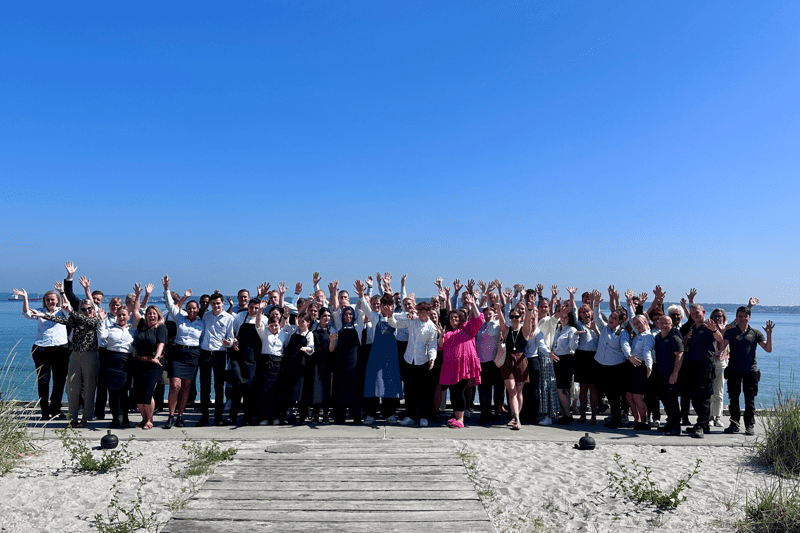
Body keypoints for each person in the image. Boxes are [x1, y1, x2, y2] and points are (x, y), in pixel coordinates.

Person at [30, 295, 102, 428]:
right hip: (75, 355)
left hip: (90, 355)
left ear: (93, 309)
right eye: (84, 309)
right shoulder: (77, 320)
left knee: (89, 387)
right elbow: (61, 320)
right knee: (72, 387)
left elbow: (84, 320)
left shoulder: (97, 320)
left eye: (89, 309)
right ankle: (72, 417)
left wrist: (70, 311)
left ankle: (86, 417)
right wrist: (42, 315)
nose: (86, 311)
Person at [17, 287, 70, 420]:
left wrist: (63, 294)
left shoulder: (62, 311)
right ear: (44, 301)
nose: (50, 302)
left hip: (60, 349)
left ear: (57, 300)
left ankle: (56, 409)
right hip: (42, 349)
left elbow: (69, 312)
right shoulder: (39, 311)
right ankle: (44, 412)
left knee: (59, 381)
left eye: (53, 299)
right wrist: (25, 297)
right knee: (43, 381)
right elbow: (26, 314)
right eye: (48, 299)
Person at [355, 280, 403, 425]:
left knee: (390, 385)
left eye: (389, 305)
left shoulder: (397, 318)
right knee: (373, 384)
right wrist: (362, 294)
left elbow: (407, 319)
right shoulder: (375, 317)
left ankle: (390, 414)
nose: (386, 307)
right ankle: (370, 414)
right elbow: (365, 306)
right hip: (376, 356)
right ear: (380, 306)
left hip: (391, 357)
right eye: (383, 305)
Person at [720, 307, 774, 436]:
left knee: (750, 401)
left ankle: (749, 425)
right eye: (740, 316)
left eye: (745, 316)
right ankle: (734, 424)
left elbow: (768, 349)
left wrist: (769, 334)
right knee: (733, 399)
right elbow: (721, 347)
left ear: (749, 317)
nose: (743, 319)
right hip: (733, 370)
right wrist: (721, 332)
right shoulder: (730, 332)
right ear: (736, 317)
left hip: (750, 371)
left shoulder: (755, 333)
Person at [162, 276, 203, 429]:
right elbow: (171, 305)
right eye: (189, 307)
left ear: (198, 310)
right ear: (187, 309)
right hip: (178, 354)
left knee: (186, 387)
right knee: (175, 386)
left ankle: (180, 416)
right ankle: (170, 416)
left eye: (194, 308)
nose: (192, 310)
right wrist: (166, 288)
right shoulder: (180, 318)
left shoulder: (202, 323)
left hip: (192, 355)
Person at [438, 293, 483, 428]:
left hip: (465, 367)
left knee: (459, 391)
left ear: (461, 318)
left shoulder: (468, 328)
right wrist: (440, 336)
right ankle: (456, 416)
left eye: (456, 317)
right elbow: (440, 345)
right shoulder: (448, 333)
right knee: (454, 393)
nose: (453, 319)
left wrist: (473, 303)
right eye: (451, 318)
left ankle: (461, 419)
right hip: (452, 368)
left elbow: (479, 319)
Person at [680, 303, 724, 439]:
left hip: (705, 365)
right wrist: (686, 339)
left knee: (704, 397)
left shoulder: (708, 326)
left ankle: (701, 425)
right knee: (694, 395)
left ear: (703, 312)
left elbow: (720, 339)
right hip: (693, 365)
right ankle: (702, 424)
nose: (694, 315)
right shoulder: (693, 327)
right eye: (692, 314)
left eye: (697, 313)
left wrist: (714, 330)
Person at [593, 291, 632, 429]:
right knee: (609, 394)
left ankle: (617, 420)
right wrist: (596, 304)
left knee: (615, 396)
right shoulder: (604, 328)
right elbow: (597, 316)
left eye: (615, 317)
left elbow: (625, 346)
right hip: (602, 365)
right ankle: (614, 418)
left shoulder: (622, 333)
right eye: (611, 316)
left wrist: (629, 356)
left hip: (615, 368)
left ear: (620, 321)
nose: (611, 318)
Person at [197, 293, 234, 426]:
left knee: (219, 387)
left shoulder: (229, 318)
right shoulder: (206, 316)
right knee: (204, 387)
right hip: (206, 353)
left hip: (220, 354)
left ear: (222, 303)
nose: (216, 306)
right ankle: (204, 416)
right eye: (213, 304)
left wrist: (228, 343)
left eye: (218, 303)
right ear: (210, 304)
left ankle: (218, 416)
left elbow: (231, 338)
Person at [97, 306, 136, 428]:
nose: (121, 317)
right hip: (110, 360)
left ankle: (125, 418)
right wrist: (101, 320)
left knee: (123, 392)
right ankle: (115, 419)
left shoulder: (133, 330)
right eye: (119, 315)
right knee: (112, 393)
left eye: (124, 315)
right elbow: (101, 335)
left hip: (125, 361)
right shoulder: (110, 328)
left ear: (129, 316)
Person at [498, 302, 535, 430]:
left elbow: (528, 322)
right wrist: (498, 308)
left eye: (517, 317)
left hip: (521, 360)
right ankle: (517, 419)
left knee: (519, 392)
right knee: (512, 391)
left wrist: (529, 309)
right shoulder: (507, 330)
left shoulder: (524, 330)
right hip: (508, 359)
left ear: (520, 318)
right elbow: (502, 322)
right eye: (512, 316)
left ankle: (515, 417)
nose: (514, 319)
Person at [131, 300, 167, 430]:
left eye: (154, 314)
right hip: (140, 362)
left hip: (154, 364)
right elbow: (135, 311)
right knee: (139, 394)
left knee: (147, 392)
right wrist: (139, 296)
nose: (151, 316)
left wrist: (156, 357)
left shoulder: (161, 328)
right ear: (145, 316)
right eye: (149, 314)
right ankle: (143, 419)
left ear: (158, 315)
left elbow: (161, 344)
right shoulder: (142, 325)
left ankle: (150, 420)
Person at [277, 312, 314, 424]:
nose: (301, 323)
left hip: (300, 365)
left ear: (308, 322)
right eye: (300, 320)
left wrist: (306, 348)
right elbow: (283, 326)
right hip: (289, 363)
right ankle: (283, 415)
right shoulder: (293, 330)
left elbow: (311, 348)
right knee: (286, 390)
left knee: (301, 392)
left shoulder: (309, 334)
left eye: (303, 321)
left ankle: (302, 417)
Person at [549, 288, 580, 425]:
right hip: (557, 360)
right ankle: (565, 413)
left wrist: (575, 337)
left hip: (567, 360)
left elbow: (573, 348)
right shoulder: (558, 329)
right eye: (561, 317)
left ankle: (567, 415)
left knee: (562, 389)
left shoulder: (571, 329)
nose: (563, 318)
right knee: (562, 389)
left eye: (566, 317)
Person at [254, 308, 290, 425]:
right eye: (272, 325)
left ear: (279, 325)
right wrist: (260, 310)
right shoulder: (264, 333)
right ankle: (264, 417)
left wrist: (285, 316)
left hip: (278, 364)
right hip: (266, 364)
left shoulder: (283, 334)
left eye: (276, 325)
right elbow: (258, 324)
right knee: (265, 392)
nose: (274, 328)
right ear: (268, 325)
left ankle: (276, 417)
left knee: (276, 392)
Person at [329, 306, 363, 424]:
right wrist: (333, 292)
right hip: (341, 364)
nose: (348, 316)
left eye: (350, 314)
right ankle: (340, 416)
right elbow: (334, 312)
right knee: (341, 389)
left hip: (355, 364)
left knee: (355, 389)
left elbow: (361, 311)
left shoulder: (358, 327)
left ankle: (356, 416)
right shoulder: (339, 327)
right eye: (346, 314)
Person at [653, 315, 683, 436]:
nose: (664, 325)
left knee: (672, 400)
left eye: (667, 323)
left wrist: (674, 373)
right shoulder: (658, 337)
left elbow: (679, 356)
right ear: (658, 324)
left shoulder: (674, 338)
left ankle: (676, 425)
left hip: (672, 375)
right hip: (660, 374)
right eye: (662, 323)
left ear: (671, 325)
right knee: (664, 400)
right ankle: (670, 423)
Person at [475, 304, 504, 426]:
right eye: (485, 314)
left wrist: (495, 317)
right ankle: (484, 414)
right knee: (483, 390)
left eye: (490, 314)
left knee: (497, 390)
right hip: (481, 362)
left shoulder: (497, 326)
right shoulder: (481, 326)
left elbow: (501, 328)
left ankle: (496, 413)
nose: (487, 316)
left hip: (494, 363)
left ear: (495, 315)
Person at [625, 314, 654, 431]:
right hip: (631, 366)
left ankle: (644, 421)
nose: (637, 325)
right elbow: (632, 316)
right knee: (629, 395)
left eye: (639, 323)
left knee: (637, 396)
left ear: (646, 321)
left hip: (640, 367)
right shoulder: (638, 335)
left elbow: (647, 352)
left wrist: (649, 366)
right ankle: (637, 419)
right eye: (635, 323)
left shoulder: (648, 336)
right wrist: (629, 304)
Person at [575, 301, 600, 424]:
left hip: (594, 357)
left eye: (587, 312)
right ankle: (583, 414)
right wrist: (572, 296)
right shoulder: (579, 325)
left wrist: (595, 329)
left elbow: (602, 339)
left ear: (592, 313)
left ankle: (594, 415)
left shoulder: (597, 324)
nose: (586, 314)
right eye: (583, 312)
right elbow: (573, 312)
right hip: (582, 357)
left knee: (594, 387)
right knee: (583, 387)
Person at [709, 308, 729, 427]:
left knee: (719, 391)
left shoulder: (727, 328)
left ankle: (718, 417)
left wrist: (749, 306)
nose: (718, 318)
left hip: (721, 361)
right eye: (715, 316)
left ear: (724, 317)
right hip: (709, 361)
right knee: (710, 391)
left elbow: (739, 320)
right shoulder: (708, 328)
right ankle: (710, 416)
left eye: (720, 316)